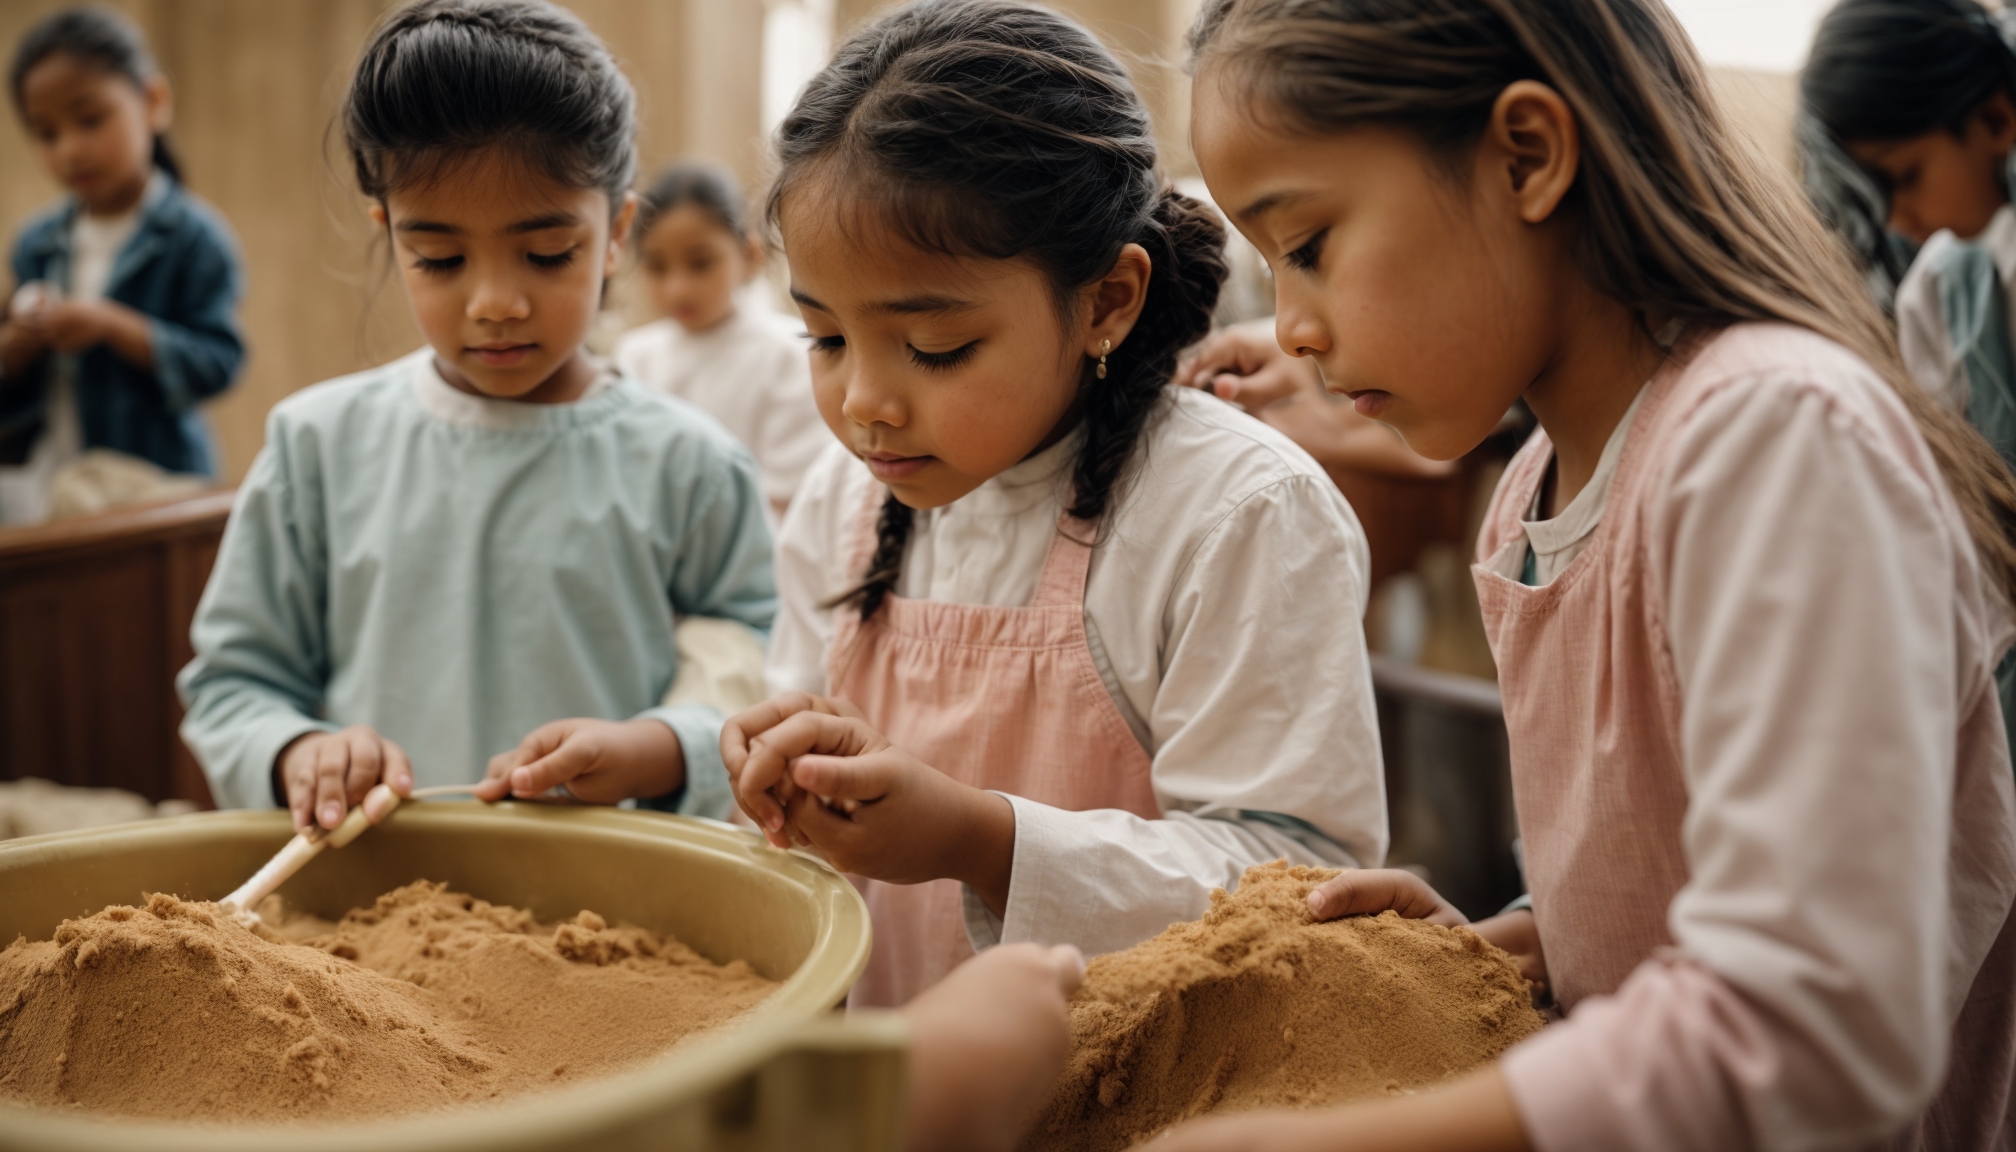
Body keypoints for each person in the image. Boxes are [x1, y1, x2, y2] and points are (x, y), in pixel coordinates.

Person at [1149, 0, 2016, 1148]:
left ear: (1528, 155)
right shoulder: (1530, 499)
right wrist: (1515, 937)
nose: (1296, 329)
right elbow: (1678, 899)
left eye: (1307, 246)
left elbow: (1820, 1016)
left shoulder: (1770, 438)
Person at [722, 0, 1388, 1009]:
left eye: (935, 348)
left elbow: (1296, 883)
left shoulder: (1235, 514)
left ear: (1106, 302)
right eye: (823, 339)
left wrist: (980, 839)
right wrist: (780, 774)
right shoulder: (844, 504)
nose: (863, 402)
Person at [177, 0, 773, 834]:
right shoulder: (318, 445)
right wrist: (297, 751)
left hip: (616, 915)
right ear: (390, 237)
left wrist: (656, 746)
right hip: (367, 911)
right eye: (442, 259)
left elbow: (747, 662)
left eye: (545, 253)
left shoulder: (692, 466)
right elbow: (235, 682)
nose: (495, 302)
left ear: (616, 234)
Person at [0, 7, 242, 524]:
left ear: (153, 103)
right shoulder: (35, 243)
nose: (70, 149)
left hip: (153, 490)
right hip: (46, 490)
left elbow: (218, 362)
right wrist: (15, 349)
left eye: (90, 119)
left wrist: (110, 326)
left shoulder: (195, 239)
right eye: (46, 133)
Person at [614, 161, 826, 520]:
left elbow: (791, 496)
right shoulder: (635, 357)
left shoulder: (788, 354)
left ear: (749, 256)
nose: (677, 287)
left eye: (700, 263)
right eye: (657, 267)